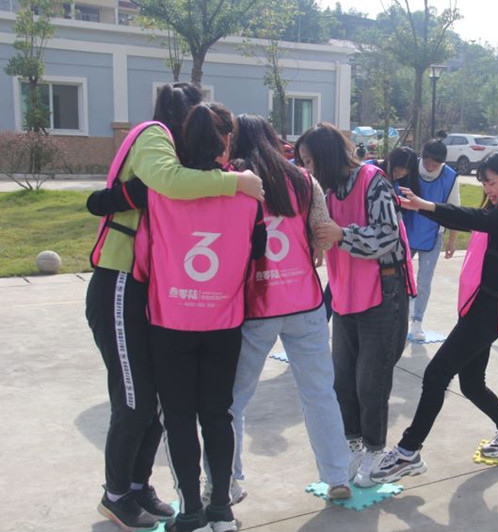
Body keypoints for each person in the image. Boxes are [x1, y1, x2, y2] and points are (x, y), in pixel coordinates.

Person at [85, 83, 263, 532]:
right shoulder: (155, 140)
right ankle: (117, 493)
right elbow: (153, 188)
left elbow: (117, 202)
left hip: (165, 305)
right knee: (137, 399)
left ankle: (140, 485)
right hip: (124, 282)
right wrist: (236, 181)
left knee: (162, 407)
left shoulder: (180, 182)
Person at [202, 114, 352, 502]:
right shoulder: (304, 179)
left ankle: (225, 482)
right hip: (305, 301)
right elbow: (323, 235)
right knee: (320, 393)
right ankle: (337, 476)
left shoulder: (235, 179)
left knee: (232, 401)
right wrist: (314, 249)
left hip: (255, 305)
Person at [372, 149, 498, 484]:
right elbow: (470, 219)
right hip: (480, 309)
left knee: (435, 375)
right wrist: (424, 208)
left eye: (491, 182)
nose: (487, 189)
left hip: (486, 313)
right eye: (483, 182)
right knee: (472, 385)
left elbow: (473, 218)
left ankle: (408, 451)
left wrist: (427, 206)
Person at [142, 102, 266, 532]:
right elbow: (258, 250)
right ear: (226, 141)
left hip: (170, 321)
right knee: (218, 415)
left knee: (178, 419)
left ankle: (191, 510)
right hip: (223, 322)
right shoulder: (248, 195)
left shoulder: (160, 192)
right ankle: (222, 510)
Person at [301, 122, 416, 488]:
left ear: (326, 157)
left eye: (309, 161)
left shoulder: (372, 180)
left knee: (371, 381)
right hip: (346, 292)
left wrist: (342, 235)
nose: (306, 169)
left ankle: (375, 451)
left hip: (383, 292)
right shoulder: (326, 191)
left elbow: (387, 235)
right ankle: (353, 444)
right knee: (343, 379)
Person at [401, 139, 460, 341]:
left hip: (434, 235)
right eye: (427, 163)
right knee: (401, 278)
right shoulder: (411, 167)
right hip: (406, 231)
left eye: (435, 164)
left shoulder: (450, 177)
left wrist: (452, 241)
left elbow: (454, 211)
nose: (430, 167)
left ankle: (417, 321)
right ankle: (401, 318)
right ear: (422, 156)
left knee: (424, 281)